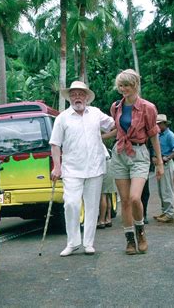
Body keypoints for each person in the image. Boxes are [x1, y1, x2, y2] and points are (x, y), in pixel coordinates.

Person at [50, 81, 115, 256]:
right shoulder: (62, 118)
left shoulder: (95, 113)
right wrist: (57, 167)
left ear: (86, 97)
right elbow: (55, 145)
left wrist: (104, 136)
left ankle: (88, 243)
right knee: (71, 204)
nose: (77, 97)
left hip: (95, 167)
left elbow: (114, 125)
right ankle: (72, 243)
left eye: (80, 94)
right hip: (71, 169)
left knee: (92, 206)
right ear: (69, 97)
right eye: (73, 94)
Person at [110, 69, 164, 255]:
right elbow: (116, 130)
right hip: (119, 153)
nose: (123, 89)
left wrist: (159, 163)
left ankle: (140, 231)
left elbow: (154, 135)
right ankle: (130, 240)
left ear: (135, 85)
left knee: (135, 198)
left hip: (139, 153)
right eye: (121, 85)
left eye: (127, 85)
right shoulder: (116, 106)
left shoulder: (148, 107)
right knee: (124, 201)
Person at [152, 114, 174, 223]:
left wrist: (167, 158)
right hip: (159, 163)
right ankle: (165, 211)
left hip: (166, 164)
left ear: (164, 123)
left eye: (159, 124)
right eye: (156, 124)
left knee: (166, 188)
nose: (158, 126)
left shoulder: (169, 135)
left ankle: (169, 214)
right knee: (161, 189)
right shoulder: (158, 135)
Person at [97, 145, 116, 229]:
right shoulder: (101, 143)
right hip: (109, 162)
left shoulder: (94, 141)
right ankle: (108, 218)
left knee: (102, 195)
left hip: (103, 164)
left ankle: (101, 220)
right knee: (108, 194)